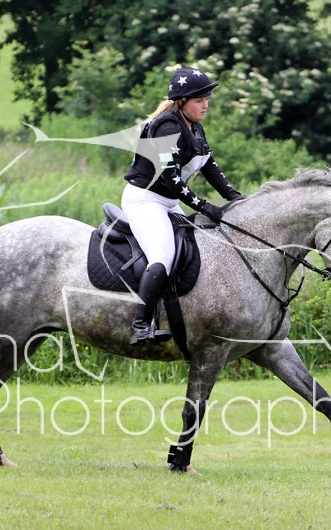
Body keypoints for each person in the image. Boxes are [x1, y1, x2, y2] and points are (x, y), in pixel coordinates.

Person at [122, 66, 243, 346]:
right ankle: (141, 325)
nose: (206, 105)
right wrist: (204, 207)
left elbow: (210, 166)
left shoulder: (194, 127)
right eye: (199, 100)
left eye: (206, 99)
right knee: (162, 256)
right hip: (145, 200)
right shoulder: (166, 127)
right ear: (181, 102)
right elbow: (171, 178)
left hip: (168, 201)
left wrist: (235, 197)